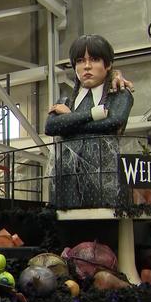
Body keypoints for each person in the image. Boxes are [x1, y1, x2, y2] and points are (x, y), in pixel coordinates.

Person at [45, 34, 134, 209]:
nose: (86, 66)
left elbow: (113, 122)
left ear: (107, 65)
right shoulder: (65, 102)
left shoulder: (120, 95)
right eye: (80, 61)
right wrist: (95, 113)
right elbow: (50, 126)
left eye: (94, 59)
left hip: (105, 182)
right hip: (65, 182)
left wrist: (69, 119)